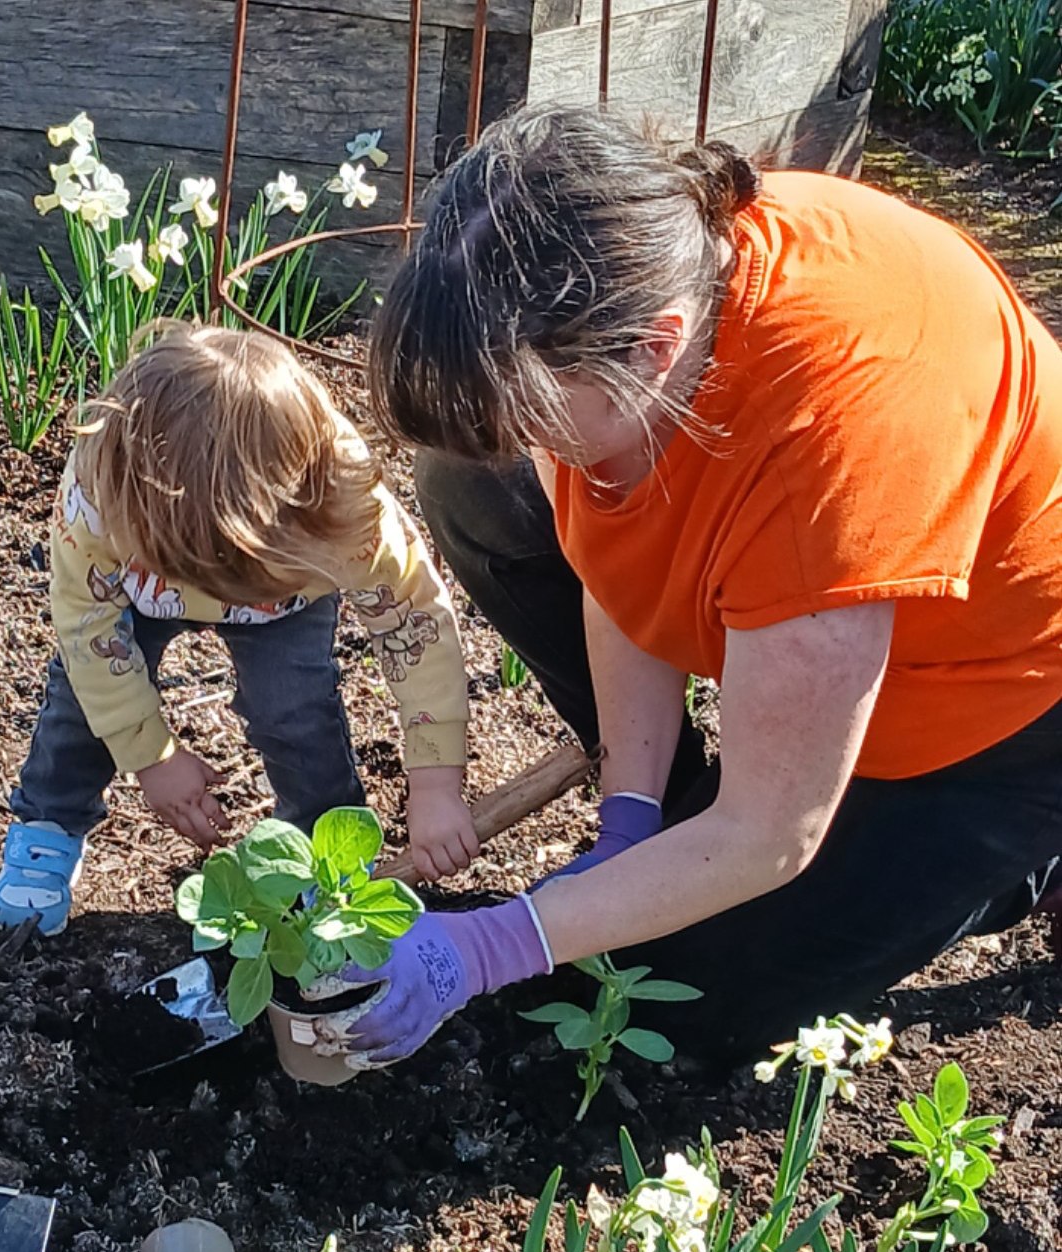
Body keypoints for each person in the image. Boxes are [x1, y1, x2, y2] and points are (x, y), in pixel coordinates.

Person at [330, 104, 1062, 1072]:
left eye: (541, 418)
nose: (535, 446)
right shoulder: (663, 267)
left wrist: (494, 943)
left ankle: (1018, 860)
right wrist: (630, 811)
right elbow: (617, 558)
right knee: (476, 485)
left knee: (687, 1002)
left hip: (991, 698)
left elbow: (769, 831)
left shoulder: (829, 452)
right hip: (811, 614)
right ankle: (675, 823)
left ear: (653, 348)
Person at [0, 322, 477, 938]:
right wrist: (152, 757)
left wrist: (435, 783)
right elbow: (91, 639)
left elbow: (415, 628)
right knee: (79, 709)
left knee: (296, 713)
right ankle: (49, 821)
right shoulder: (101, 502)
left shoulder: (348, 512)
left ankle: (321, 849)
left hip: (288, 598)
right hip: (138, 591)